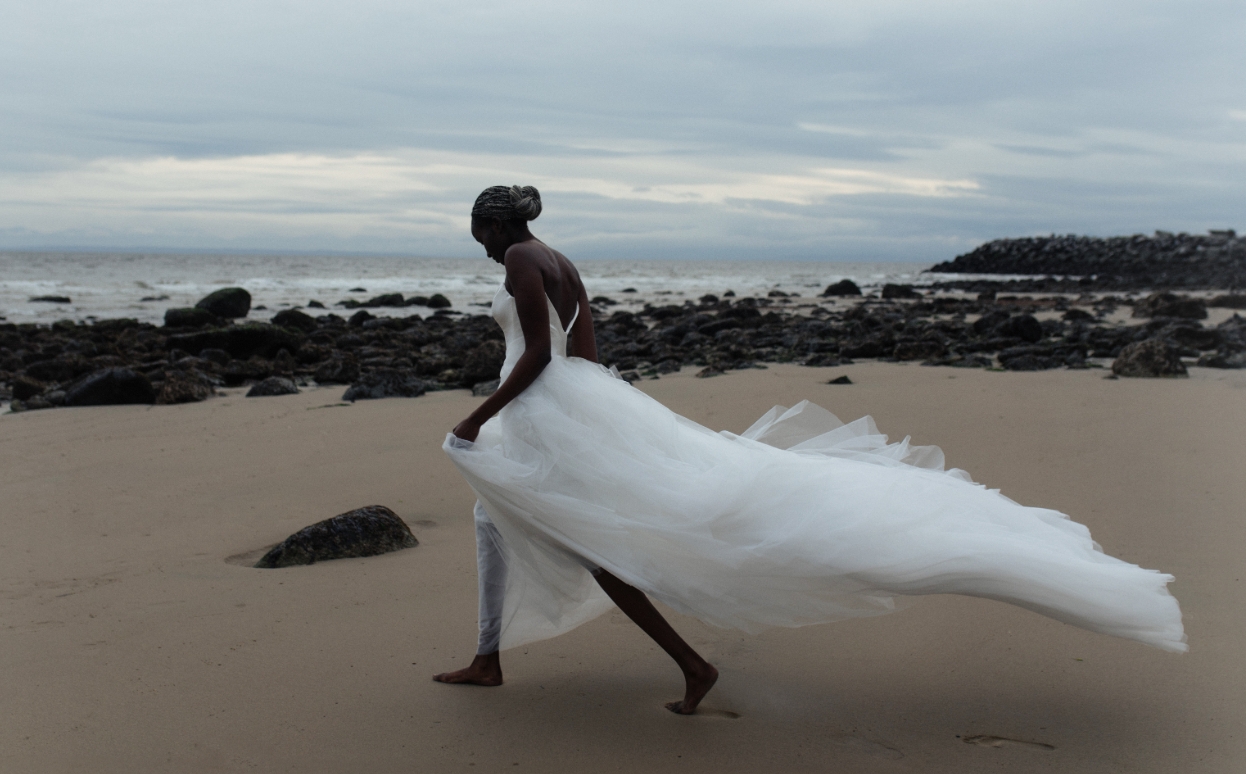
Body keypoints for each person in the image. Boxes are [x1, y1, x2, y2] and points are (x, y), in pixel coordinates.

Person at [433, 185, 1186, 715]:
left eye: (479, 233)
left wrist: (479, 416)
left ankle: (686, 664)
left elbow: (540, 355)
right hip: (570, 407)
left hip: (544, 410)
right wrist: (595, 415)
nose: (480, 245)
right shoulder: (557, 258)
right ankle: (492, 657)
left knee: (598, 544)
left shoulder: (522, 260)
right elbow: (586, 355)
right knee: (496, 519)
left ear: (495, 224)